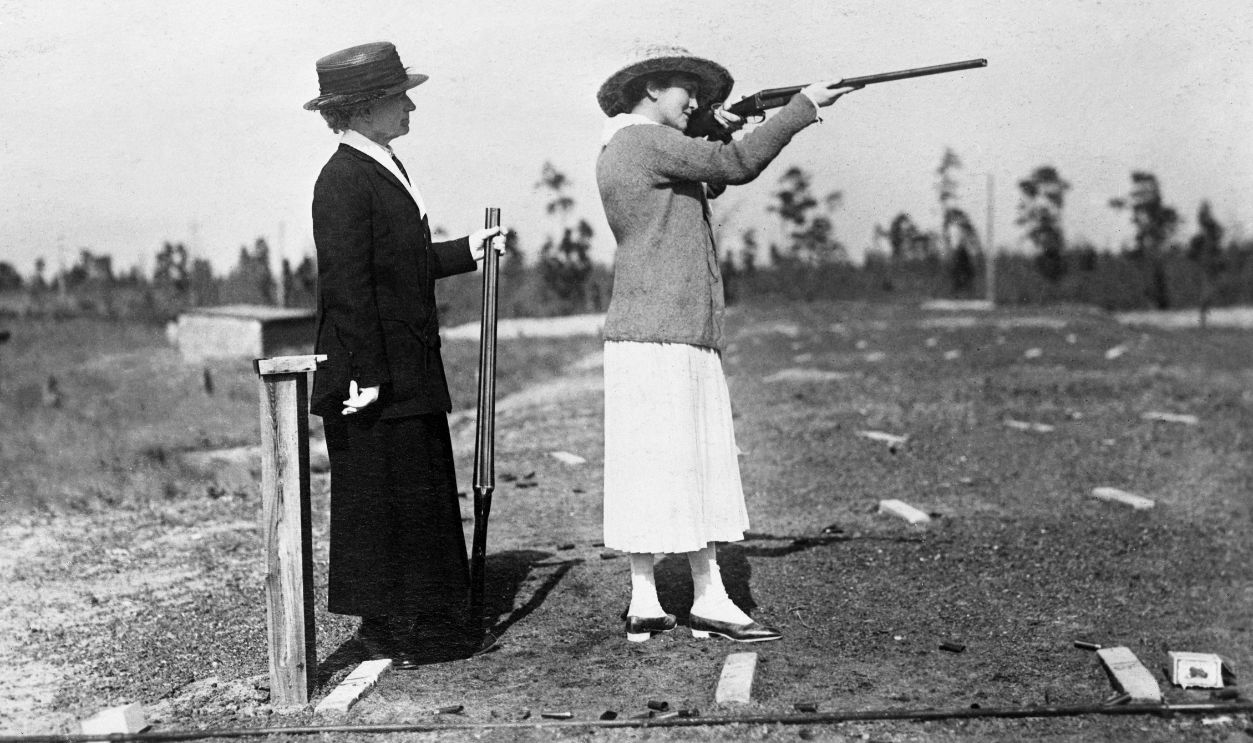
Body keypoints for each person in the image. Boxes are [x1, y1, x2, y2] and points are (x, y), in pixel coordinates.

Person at [595, 45, 858, 643]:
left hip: (649, 326)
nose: (697, 103)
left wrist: (721, 129)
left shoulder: (628, 145)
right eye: (688, 91)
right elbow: (735, 166)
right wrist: (802, 108)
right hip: (670, 331)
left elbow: (708, 180)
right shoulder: (644, 141)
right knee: (696, 460)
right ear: (653, 90)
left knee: (649, 465)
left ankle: (645, 601)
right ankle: (710, 598)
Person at [303, 41, 503, 667]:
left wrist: (468, 248)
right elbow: (347, 285)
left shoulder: (384, 164)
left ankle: (427, 623)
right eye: (398, 96)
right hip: (371, 371)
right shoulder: (341, 179)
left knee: (415, 490)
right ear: (363, 109)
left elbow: (399, 264)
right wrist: (363, 371)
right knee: (377, 496)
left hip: (405, 364)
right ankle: (390, 628)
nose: (410, 104)